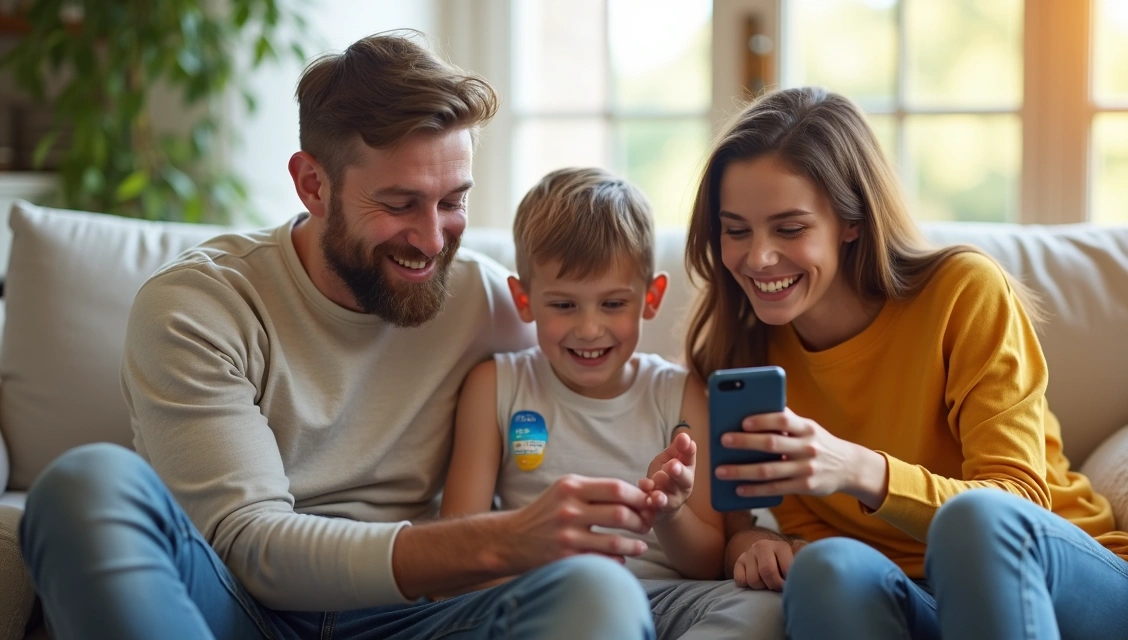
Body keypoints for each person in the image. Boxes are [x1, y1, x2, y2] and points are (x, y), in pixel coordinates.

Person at [18, 32, 656, 640]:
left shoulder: (484, 300)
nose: (434, 240)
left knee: (599, 592)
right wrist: (497, 539)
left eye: (452, 202)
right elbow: (249, 544)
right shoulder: (202, 305)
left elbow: (606, 368)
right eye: (400, 204)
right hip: (237, 610)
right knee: (84, 485)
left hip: (415, 619)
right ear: (312, 184)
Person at [682, 86, 1128, 640]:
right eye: (736, 230)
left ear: (851, 220)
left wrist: (854, 467)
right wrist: (760, 544)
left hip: (1079, 593)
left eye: (790, 228)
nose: (758, 257)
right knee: (826, 570)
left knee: (974, 520)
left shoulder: (962, 292)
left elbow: (1015, 501)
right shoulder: (743, 352)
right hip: (924, 602)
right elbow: (800, 528)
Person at [439, 167, 785, 640]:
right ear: (524, 300)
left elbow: (708, 564)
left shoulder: (680, 393)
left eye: (612, 304)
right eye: (564, 305)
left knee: (764, 610)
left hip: (669, 596)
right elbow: (458, 550)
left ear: (651, 297)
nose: (588, 329)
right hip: (554, 596)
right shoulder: (497, 385)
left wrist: (670, 512)